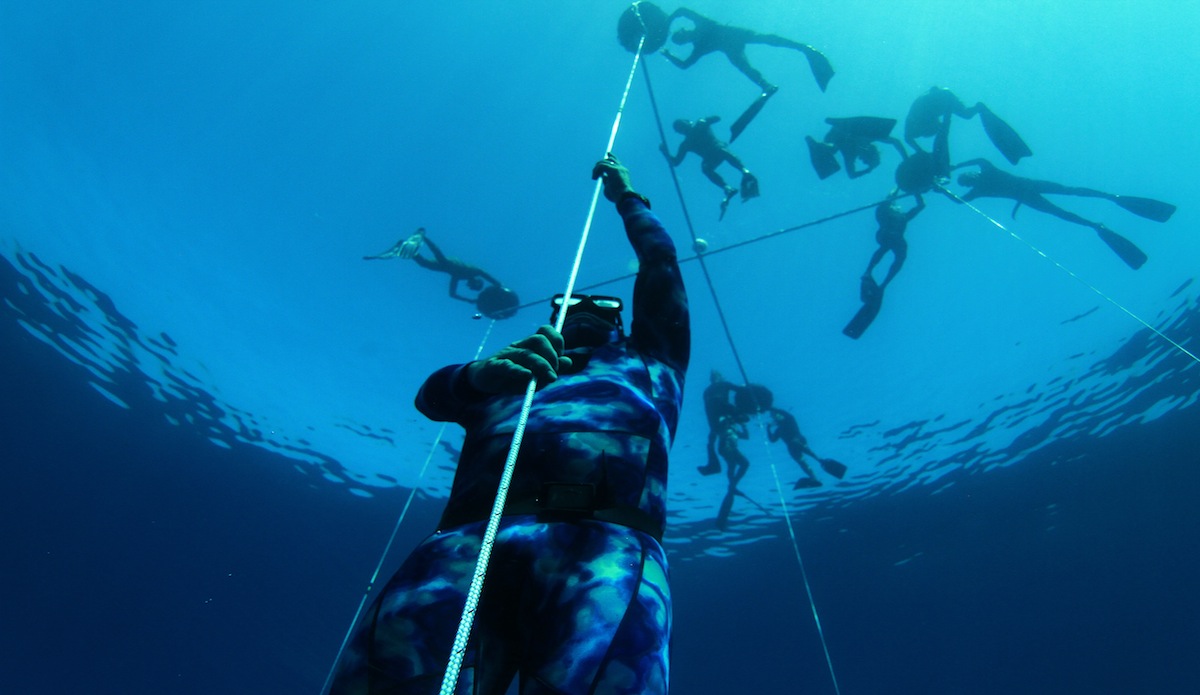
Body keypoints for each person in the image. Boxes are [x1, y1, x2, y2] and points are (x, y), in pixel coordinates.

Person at [328, 155, 689, 695]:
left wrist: (628, 197)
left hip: (609, 546)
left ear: (622, 322)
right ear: (554, 317)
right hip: (470, 539)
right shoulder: (515, 370)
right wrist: (476, 376)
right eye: (569, 304)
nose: (586, 308)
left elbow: (660, 262)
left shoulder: (653, 360)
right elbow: (431, 397)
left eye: (604, 306)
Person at [953, 158, 1177, 270]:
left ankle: (1108, 201)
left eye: (968, 178)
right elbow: (961, 197)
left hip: (1029, 189)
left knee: (1070, 195)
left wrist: (949, 172)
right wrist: (950, 173)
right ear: (970, 180)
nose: (971, 180)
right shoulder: (980, 187)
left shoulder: (981, 183)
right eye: (968, 180)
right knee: (1063, 208)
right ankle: (1098, 220)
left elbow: (973, 171)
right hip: (1029, 194)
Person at [661, 7, 834, 95]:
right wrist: (669, 55)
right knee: (744, 66)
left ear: (684, 31)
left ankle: (802, 48)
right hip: (732, 47)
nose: (684, 39)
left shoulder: (701, 25)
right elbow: (685, 65)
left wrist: (667, 23)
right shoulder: (699, 47)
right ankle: (766, 85)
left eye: (681, 37)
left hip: (736, 36)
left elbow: (681, 11)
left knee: (767, 40)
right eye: (682, 41)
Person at [365, 230, 520, 318]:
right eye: (473, 286)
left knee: (424, 264)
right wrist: (497, 283)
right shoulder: (471, 272)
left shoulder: (458, 278)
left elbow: (452, 294)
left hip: (447, 269)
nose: (470, 286)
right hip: (452, 264)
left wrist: (468, 300)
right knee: (440, 257)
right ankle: (424, 237)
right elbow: (483, 272)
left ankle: (406, 248)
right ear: (475, 282)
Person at [661, 116, 759, 219]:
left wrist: (706, 120)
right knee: (706, 168)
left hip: (717, 148)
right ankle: (727, 187)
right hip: (711, 158)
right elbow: (676, 162)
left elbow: (717, 118)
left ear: (688, 122)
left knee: (721, 151)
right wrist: (665, 152)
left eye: (681, 126)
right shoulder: (686, 144)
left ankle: (744, 171)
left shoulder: (698, 127)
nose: (682, 129)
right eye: (680, 129)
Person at [904, 86, 1032, 165]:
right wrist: (921, 151)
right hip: (940, 96)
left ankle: (979, 107)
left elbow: (908, 138)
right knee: (966, 115)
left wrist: (922, 152)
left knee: (954, 123)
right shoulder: (915, 125)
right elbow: (907, 139)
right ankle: (979, 107)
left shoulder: (915, 121)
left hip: (941, 96)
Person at [765, 408, 848, 489]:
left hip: (795, 443)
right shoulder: (782, 427)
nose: (773, 418)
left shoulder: (788, 422)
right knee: (803, 461)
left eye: (774, 416)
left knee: (803, 460)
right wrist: (768, 428)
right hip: (795, 444)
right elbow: (773, 440)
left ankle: (815, 474)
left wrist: (769, 424)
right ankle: (816, 472)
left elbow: (773, 439)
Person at [806, 116, 908, 180]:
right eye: (866, 159)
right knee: (834, 147)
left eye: (863, 160)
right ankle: (821, 144)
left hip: (835, 137)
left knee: (833, 148)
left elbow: (852, 175)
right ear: (870, 151)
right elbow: (895, 142)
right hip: (840, 131)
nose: (862, 158)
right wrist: (906, 159)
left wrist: (868, 169)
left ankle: (819, 145)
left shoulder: (850, 155)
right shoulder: (870, 137)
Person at [862, 193, 925, 293]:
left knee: (901, 257)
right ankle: (868, 271)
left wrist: (916, 193)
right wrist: (896, 190)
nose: (898, 207)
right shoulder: (884, 211)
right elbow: (887, 199)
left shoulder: (904, 216)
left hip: (896, 238)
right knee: (885, 246)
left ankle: (884, 283)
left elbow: (921, 206)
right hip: (886, 234)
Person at [698, 370, 751, 477]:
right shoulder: (724, 384)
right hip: (722, 409)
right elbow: (739, 390)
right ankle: (713, 465)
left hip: (713, 415)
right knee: (745, 418)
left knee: (712, 438)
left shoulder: (707, 391)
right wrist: (747, 389)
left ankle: (713, 465)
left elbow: (707, 407)